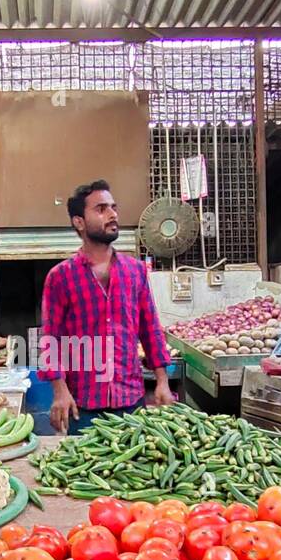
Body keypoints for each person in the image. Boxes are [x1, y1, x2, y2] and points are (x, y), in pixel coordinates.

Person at [37, 179, 175, 435]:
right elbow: (50, 339)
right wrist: (59, 391)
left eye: (113, 207)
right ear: (79, 222)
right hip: (84, 404)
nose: (113, 215)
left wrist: (162, 382)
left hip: (131, 402)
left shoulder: (135, 271)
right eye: (101, 209)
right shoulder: (61, 277)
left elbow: (150, 329)